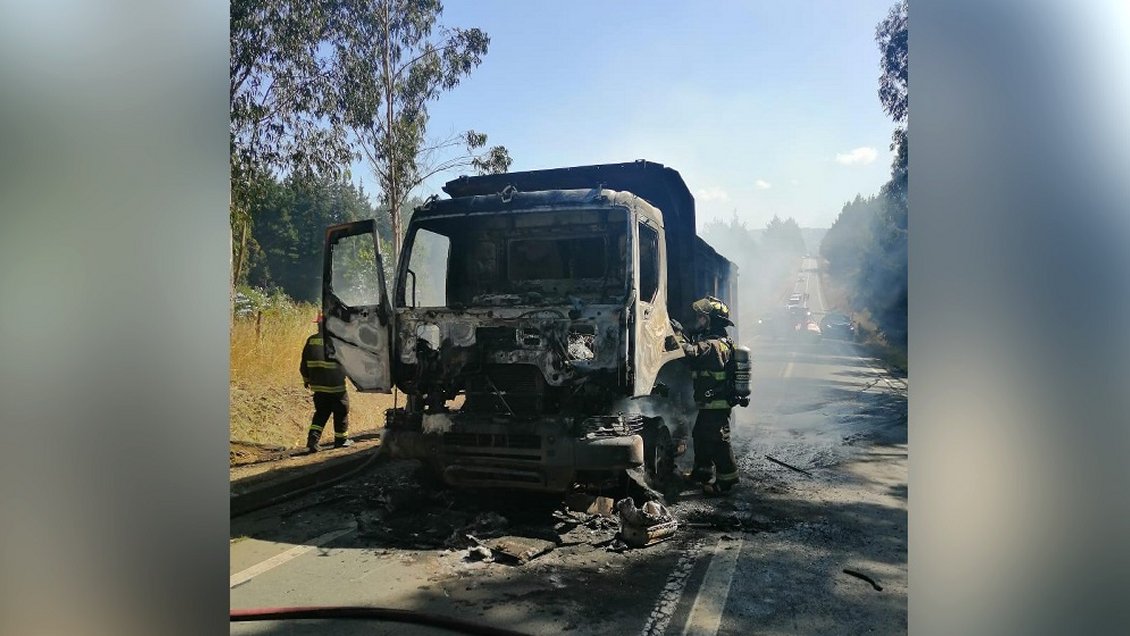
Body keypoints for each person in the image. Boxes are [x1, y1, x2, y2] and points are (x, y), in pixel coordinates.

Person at [681, 296, 740, 495]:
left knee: (718, 440)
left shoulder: (714, 345)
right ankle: (702, 473)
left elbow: (690, 353)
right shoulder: (716, 342)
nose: (698, 320)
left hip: (717, 402)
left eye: (702, 317)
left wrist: (678, 335)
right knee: (700, 434)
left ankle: (727, 481)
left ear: (711, 320)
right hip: (711, 401)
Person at [300, 314, 352, 452]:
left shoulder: (311, 340)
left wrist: (306, 380)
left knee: (321, 414)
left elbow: (304, 363)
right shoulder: (338, 341)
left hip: (318, 387)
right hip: (336, 387)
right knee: (341, 412)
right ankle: (341, 440)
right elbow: (348, 363)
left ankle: (313, 440)